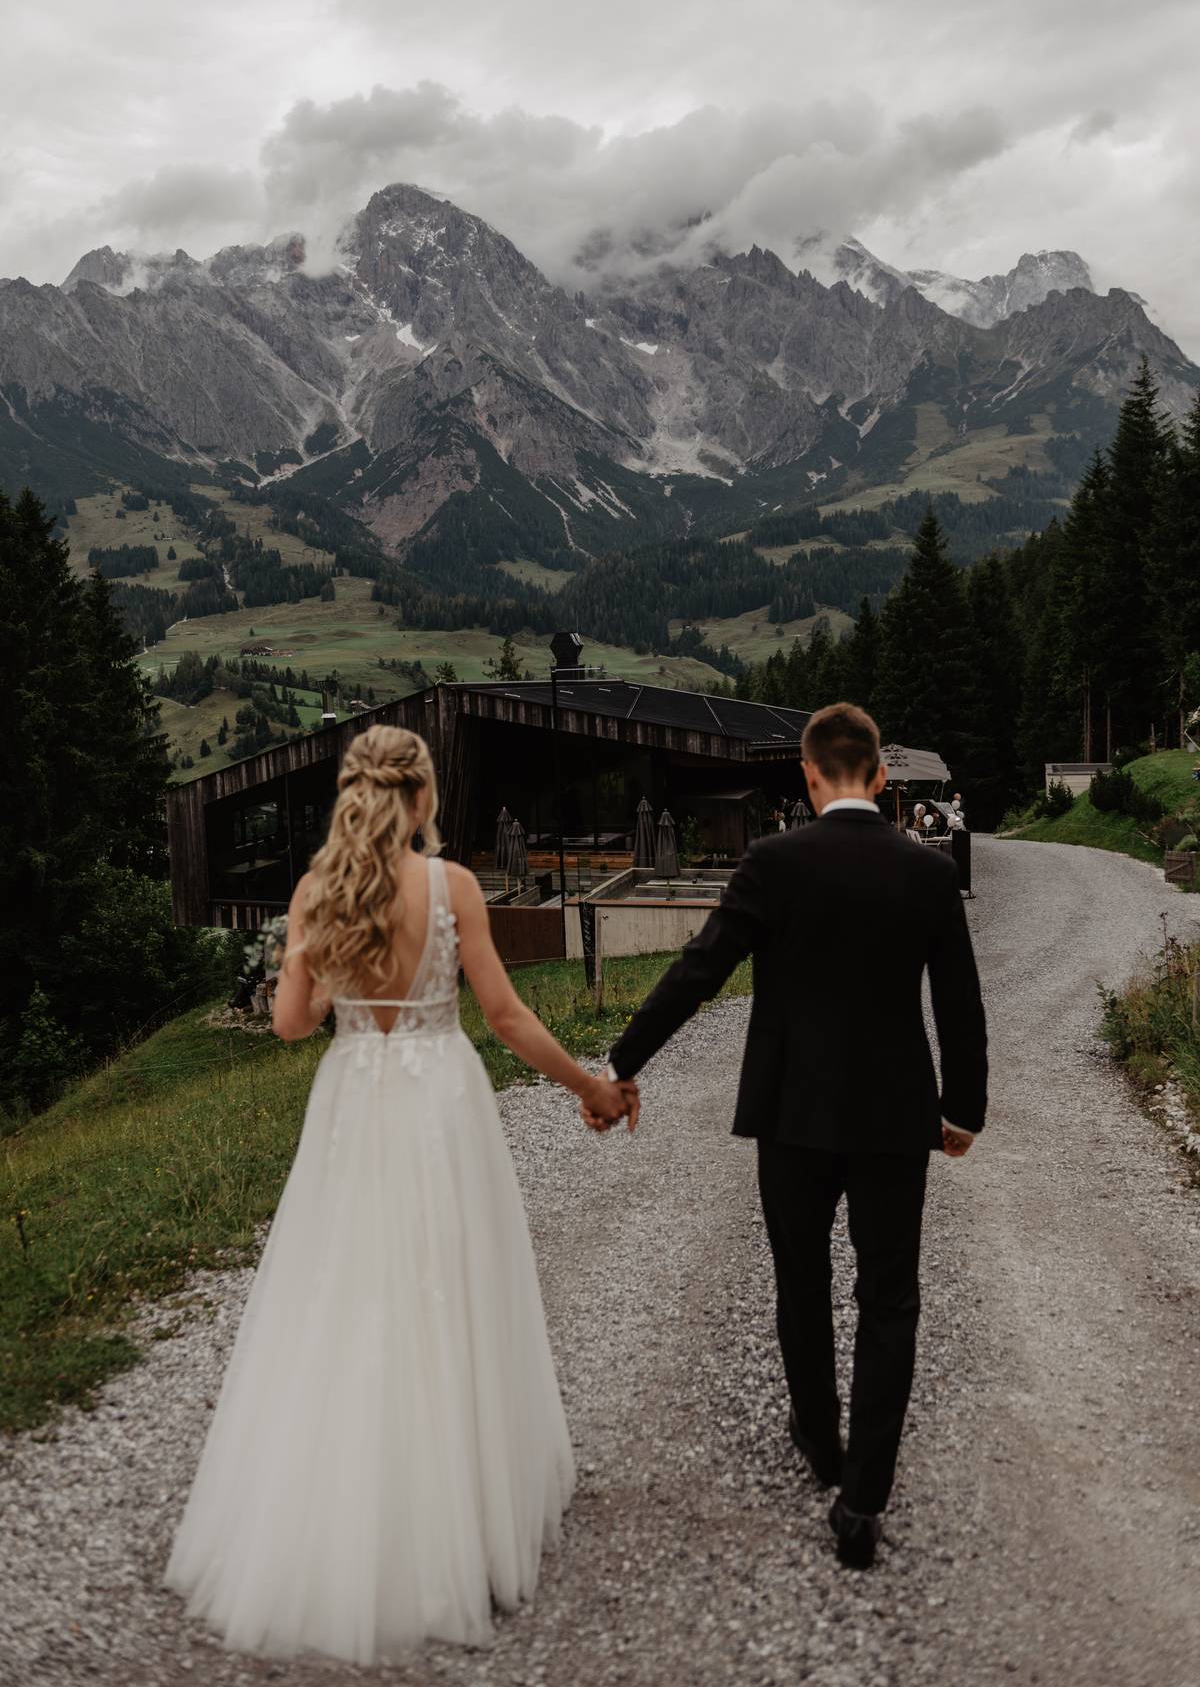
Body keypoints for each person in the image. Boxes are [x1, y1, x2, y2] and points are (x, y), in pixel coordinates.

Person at [163, 725, 636, 1665]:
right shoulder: (451, 887)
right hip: (438, 1101)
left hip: (353, 1100)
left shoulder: (315, 892)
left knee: (340, 1291)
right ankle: (451, 1508)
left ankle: (338, 1506)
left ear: (352, 791)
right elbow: (503, 1015)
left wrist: (298, 952)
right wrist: (590, 1086)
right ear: (421, 797)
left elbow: (293, 1027)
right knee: (448, 1283)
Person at [600, 702, 987, 1570]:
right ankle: (862, 1500)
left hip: (794, 1113)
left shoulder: (773, 862)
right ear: (882, 776)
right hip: (895, 1116)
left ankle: (819, 1439)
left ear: (808, 775)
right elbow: (960, 1001)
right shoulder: (924, 871)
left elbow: (700, 970)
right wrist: (962, 1109)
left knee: (801, 1278)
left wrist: (624, 1061)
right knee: (890, 1295)